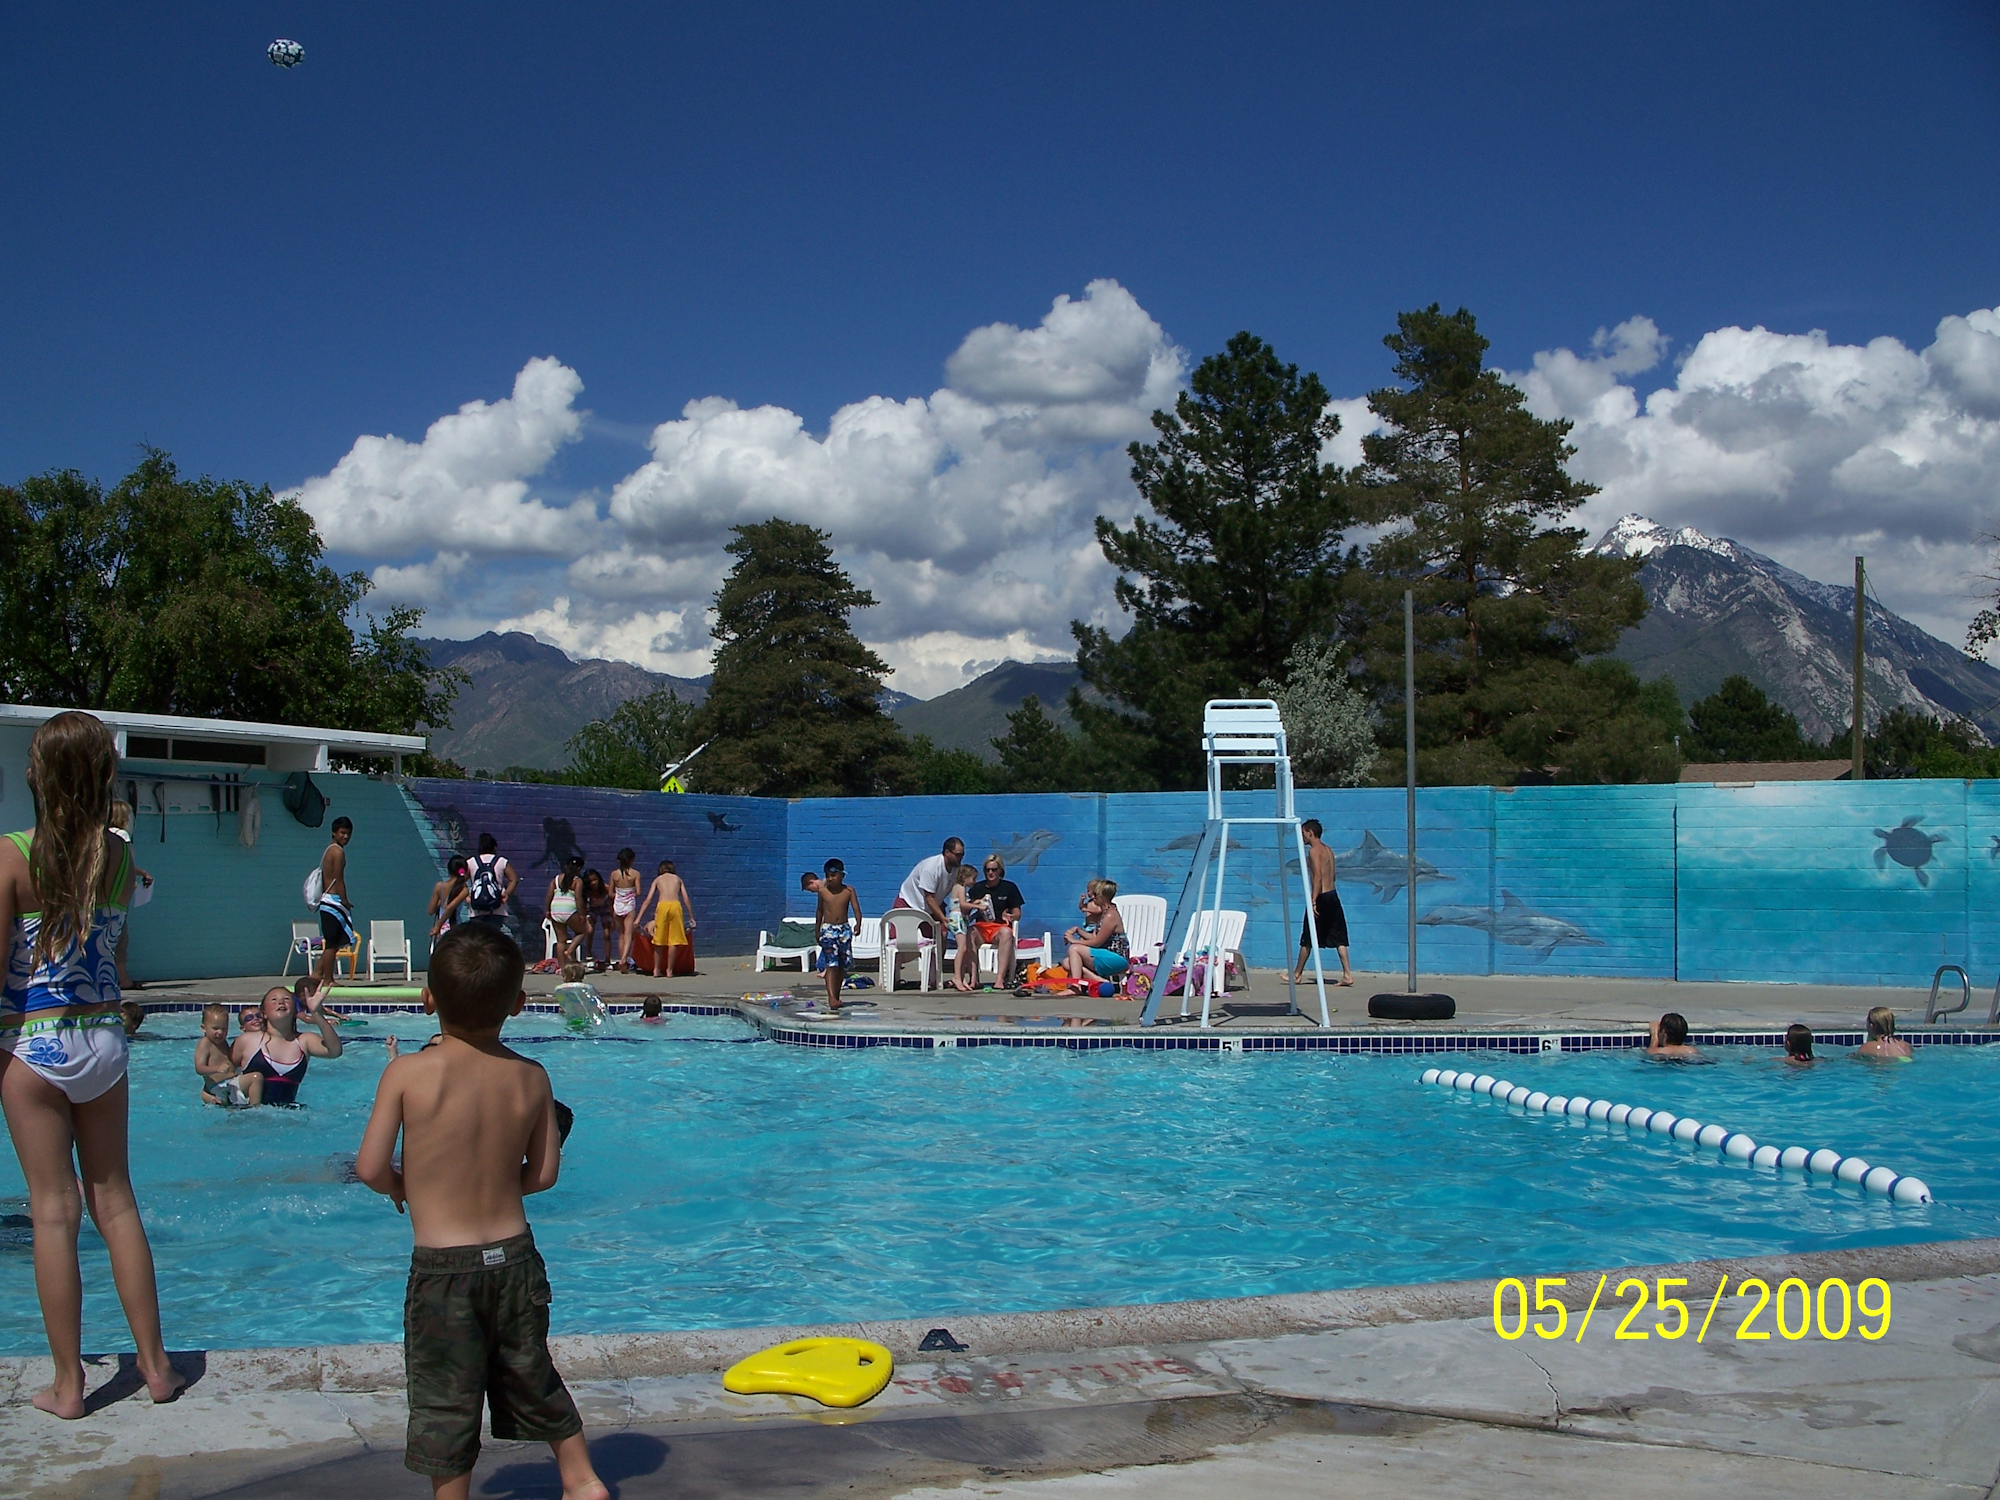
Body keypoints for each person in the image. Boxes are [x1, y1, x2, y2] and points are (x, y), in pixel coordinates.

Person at [353, 924, 606, 1500]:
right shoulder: (531, 1078)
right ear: (518, 1005)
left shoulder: (406, 1073)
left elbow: (370, 1169)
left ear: (427, 997)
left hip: (445, 1268)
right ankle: (582, 1479)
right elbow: (542, 1175)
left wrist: (403, 1186)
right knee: (530, 1369)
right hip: (515, 1259)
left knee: (447, 1391)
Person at [0, 710, 183, 1417]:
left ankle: (71, 1386)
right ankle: (157, 1365)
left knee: (53, 1213)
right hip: (104, 1039)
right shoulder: (114, 856)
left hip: (34, 1042)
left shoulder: (13, 855)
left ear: (37, 775)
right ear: (104, 774)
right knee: (117, 1202)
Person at [233, 985, 344, 1105]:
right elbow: (223, 1070)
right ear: (264, 1013)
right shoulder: (248, 1041)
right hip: (248, 1116)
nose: (280, 1002)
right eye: (274, 1000)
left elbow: (335, 1051)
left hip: (288, 1117)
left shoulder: (304, 1041)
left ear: (295, 1011)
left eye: (286, 999)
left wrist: (316, 1013)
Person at [1292, 819, 1353, 987]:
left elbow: (1317, 876)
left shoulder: (1314, 851)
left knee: (1308, 936)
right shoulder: (1328, 850)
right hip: (1332, 895)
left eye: (1303, 833)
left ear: (1310, 832)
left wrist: (1313, 900)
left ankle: (1297, 974)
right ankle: (1347, 974)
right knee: (1339, 936)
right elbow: (1331, 876)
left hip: (1321, 897)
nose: (1302, 837)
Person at [956, 854, 1025, 992]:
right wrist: (975, 903)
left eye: (994, 869)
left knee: (1006, 933)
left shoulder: (1009, 887)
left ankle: (999, 979)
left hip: (999, 928)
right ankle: (974, 978)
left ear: (1000, 870)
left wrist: (1010, 916)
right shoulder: (977, 888)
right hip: (981, 927)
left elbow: (1018, 913)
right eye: (987, 870)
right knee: (969, 933)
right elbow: (965, 911)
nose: (990, 873)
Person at [309, 816, 357, 1003]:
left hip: (329, 901)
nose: (346, 837)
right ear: (334, 832)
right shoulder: (337, 852)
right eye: (342, 833)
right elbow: (339, 878)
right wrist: (344, 900)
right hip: (333, 901)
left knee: (334, 943)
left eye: (348, 834)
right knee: (332, 943)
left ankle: (317, 972)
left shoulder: (330, 850)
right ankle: (328, 978)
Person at [108, 800, 152, 990]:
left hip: (105, 897)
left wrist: (141, 872)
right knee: (120, 938)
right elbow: (123, 863)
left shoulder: (105, 837)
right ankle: (123, 979)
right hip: (116, 898)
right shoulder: (121, 836)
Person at [815, 858, 862, 1016]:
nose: (830, 879)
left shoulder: (848, 891)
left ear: (842, 875)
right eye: (828, 875)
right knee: (831, 964)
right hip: (828, 929)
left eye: (833, 875)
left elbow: (856, 909)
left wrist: (858, 923)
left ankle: (836, 995)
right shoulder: (823, 892)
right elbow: (819, 911)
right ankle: (831, 997)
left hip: (844, 930)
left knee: (842, 963)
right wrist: (817, 930)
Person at [1063, 880, 1129, 993]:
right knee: (1066, 962)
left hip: (1116, 958)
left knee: (1074, 949)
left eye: (1095, 895)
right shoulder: (1104, 913)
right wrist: (1078, 930)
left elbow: (1097, 942)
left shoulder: (1110, 915)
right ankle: (1098, 980)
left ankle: (1075, 986)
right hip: (1104, 954)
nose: (1092, 898)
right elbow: (1093, 937)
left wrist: (1074, 941)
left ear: (1102, 897)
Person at [638, 860, 697, 978]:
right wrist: (691, 917)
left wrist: (638, 918)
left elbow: (648, 899)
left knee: (659, 939)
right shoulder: (678, 879)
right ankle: (669, 970)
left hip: (663, 905)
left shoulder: (658, 880)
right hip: (675, 906)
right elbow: (685, 899)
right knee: (673, 941)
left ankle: (656, 969)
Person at [894, 838, 963, 937]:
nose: (961, 858)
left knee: (941, 935)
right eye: (958, 855)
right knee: (901, 943)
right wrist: (943, 918)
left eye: (962, 855)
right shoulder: (931, 868)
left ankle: (936, 953)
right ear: (947, 852)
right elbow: (929, 898)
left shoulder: (956, 870)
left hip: (931, 908)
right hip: (909, 904)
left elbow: (958, 890)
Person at [195, 1003, 260, 1106]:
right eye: (215, 1028)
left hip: (228, 1083)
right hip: (219, 1086)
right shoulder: (205, 1043)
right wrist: (216, 1069)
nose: (220, 1032)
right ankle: (255, 1108)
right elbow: (199, 1068)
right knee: (256, 1078)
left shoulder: (223, 1042)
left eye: (224, 1029)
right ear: (203, 1028)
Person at [464, 833, 517, 932]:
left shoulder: (471, 861)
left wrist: (467, 896)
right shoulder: (501, 861)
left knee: (478, 937)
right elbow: (514, 879)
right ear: (494, 847)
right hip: (497, 907)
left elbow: (461, 880)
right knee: (493, 937)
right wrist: (506, 893)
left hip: (476, 908)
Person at [544, 858, 585, 966]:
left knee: (560, 940)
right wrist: (581, 914)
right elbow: (578, 898)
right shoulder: (577, 881)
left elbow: (549, 895)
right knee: (582, 932)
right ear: (579, 868)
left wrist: (548, 910)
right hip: (569, 909)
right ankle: (570, 951)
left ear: (566, 866)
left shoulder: (556, 879)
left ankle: (561, 968)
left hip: (556, 909)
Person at [608, 849, 643, 971]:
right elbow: (638, 892)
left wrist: (620, 895)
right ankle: (624, 959)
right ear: (632, 860)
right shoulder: (635, 874)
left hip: (617, 904)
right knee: (628, 934)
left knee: (621, 934)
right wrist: (629, 893)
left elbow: (610, 893)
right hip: (629, 904)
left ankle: (622, 958)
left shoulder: (614, 874)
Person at [429, 856, 469, 942]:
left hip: (442, 928)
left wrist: (437, 926)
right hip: (455, 927)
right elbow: (450, 908)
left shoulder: (439, 886)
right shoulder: (464, 890)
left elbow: (430, 911)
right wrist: (437, 926)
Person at [580, 870, 612, 970]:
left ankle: (607, 960)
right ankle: (589, 956)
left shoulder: (605, 888)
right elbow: (583, 904)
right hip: (592, 909)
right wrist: (584, 915)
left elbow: (612, 902)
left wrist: (613, 917)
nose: (594, 883)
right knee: (589, 930)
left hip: (605, 908)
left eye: (595, 880)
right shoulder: (586, 891)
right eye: (590, 881)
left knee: (607, 934)